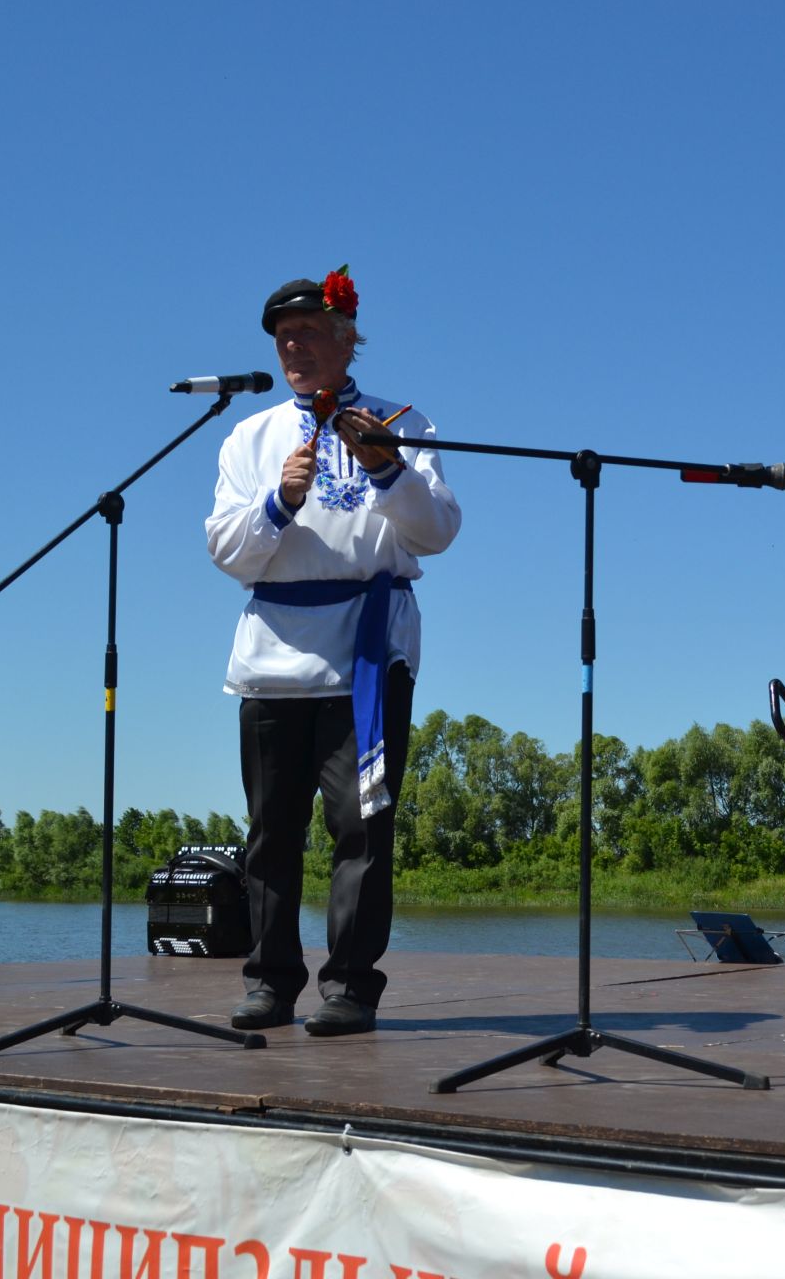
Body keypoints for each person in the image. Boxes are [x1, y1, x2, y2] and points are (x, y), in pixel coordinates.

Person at [206, 265, 461, 1036]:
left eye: (310, 333)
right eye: (284, 338)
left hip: (365, 653)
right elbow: (226, 549)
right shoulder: (249, 439)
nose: (294, 347)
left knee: (361, 826)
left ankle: (350, 984)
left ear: (348, 340)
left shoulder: (403, 423)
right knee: (270, 833)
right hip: (273, 658)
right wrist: (277, 502)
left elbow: (438, 532)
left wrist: (386, 467)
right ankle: (270, 981)